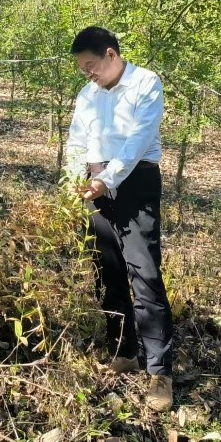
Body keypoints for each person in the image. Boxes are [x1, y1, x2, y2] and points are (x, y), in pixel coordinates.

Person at [64, 26, 173, 412]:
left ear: (111, 55)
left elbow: (138, 142)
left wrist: (106, 180)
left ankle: (159, 371)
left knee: (144, 273)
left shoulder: (146, 84)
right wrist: (75, 176)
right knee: (106, 269)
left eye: (91, 65)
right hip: (93, 186)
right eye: (82, 68)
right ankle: (123, 351)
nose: (88, 73)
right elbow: (76, 141)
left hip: (134, 182)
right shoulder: (87, 95)